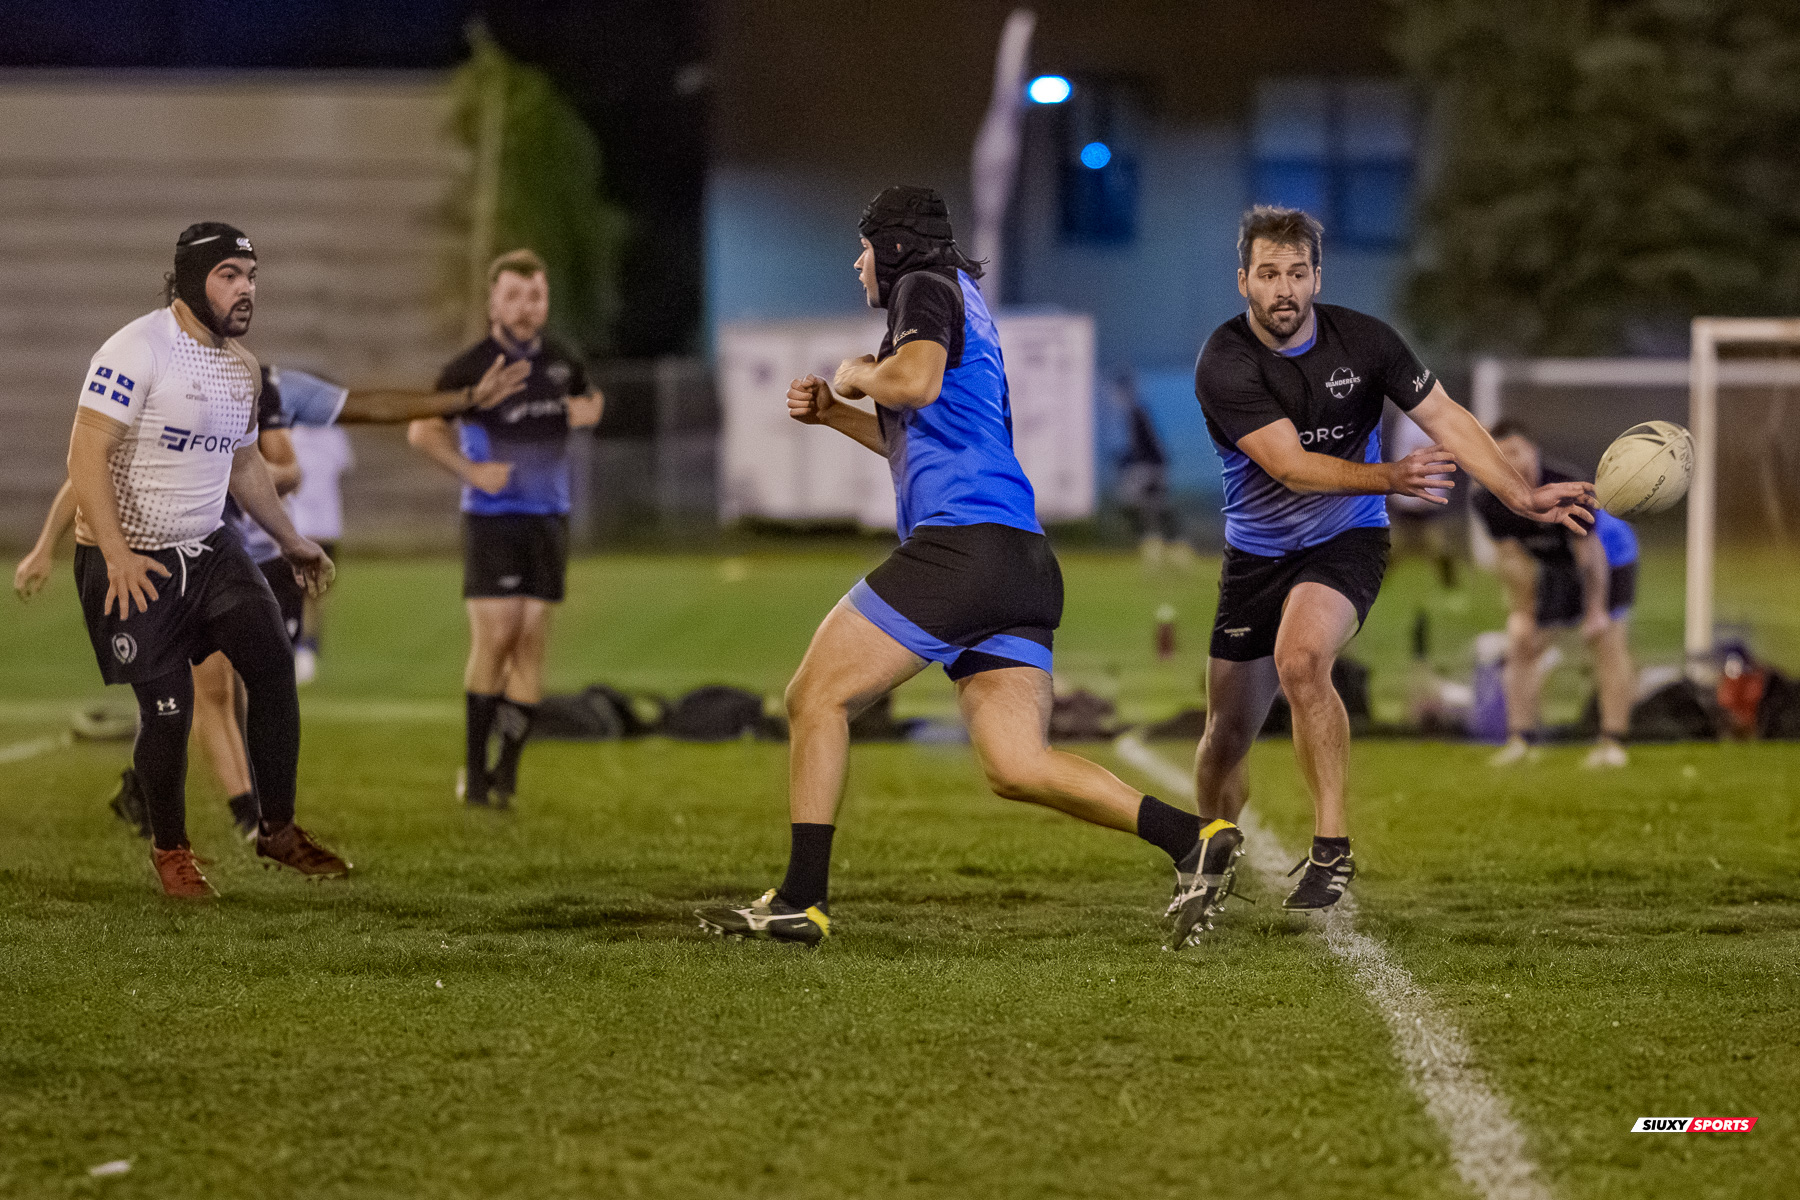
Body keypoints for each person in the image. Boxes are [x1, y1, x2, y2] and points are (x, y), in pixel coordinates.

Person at [695, 186, 1222, 949]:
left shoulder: (922, 287)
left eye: (866, 245)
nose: (858, 262)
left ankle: (801, 899)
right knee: (1016, 764)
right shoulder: (963, 301)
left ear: (898, 247)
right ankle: (1191, 838)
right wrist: (836, 415)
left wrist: (852, 371)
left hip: (965, 548)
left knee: (815, 697)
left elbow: (914, 384)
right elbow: (924, 435)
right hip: (1021, 561)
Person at [1187, 205, 1595, 921]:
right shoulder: (1225, 362)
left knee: (1303, 660)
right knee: (1223, 740)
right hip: (1255, 554)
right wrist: (1392, 476)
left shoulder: (1366, 341)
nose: (1283, 289)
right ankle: (1212, 854)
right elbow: (1290, 468)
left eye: (1296, 273)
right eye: (1268, 274)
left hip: (1346, 538)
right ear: (1243, 280)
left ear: (1317, 276)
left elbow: (1449, 419)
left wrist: (1521, 493)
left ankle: (1331, 847)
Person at [17, 344, 531, 841]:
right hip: (181, 560)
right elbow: (88, 468)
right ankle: (243, 815)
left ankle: (154, 792)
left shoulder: (270, 388)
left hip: (253, 562)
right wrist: (46, 547)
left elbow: (359, 413)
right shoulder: (160, 391)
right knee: (207, 693)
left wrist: (462, 399)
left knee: (247, 685)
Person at [62, 221, 349, 897]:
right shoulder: (135, 349)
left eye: (251, 276)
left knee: (274, 665)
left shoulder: (241, 368)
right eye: (229, 275)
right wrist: (118, 554)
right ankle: (172, 852)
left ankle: (276, 829)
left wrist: (291, 539)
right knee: (168, 710)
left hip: (210, 549)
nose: (246, 290)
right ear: (191, 281)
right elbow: (84, 457)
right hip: (131, 559)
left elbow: (244, 465)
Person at [407, 249, 603, 809]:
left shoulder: (564, 362)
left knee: (532, 639)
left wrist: (587, 411)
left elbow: (589, 406)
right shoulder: (471, 366)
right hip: (491, 520)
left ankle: (507, 775)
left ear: (545, 302)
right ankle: (472, 772)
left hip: (548, 517)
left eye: (535, 295)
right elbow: (422, 431)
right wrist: (472, 471)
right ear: (494, 301)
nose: (525, 307)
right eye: (514, 296)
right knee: (496, 637)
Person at [1476, 421, 1638, 768]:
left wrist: (1595, 610)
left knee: (1605, 639)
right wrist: (1523, 611)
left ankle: (1613, 744)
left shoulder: (1567, 486)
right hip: (1556, 563)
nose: (1511, 463)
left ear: (1533, 451)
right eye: (1501, 456)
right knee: (1521, 642)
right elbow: (1512, 559)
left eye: (1516, 452)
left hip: (1608, 554)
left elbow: (1590, 557)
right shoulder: (1489, 500)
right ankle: (1521, 741)